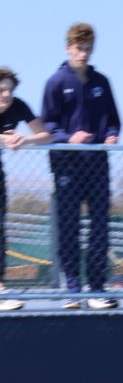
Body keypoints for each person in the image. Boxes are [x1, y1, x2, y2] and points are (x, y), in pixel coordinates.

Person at [40, 22, 121, 310]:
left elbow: (114, 119)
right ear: (68, 48)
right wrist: (68, 138)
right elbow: (46, 126)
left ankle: (97, 288)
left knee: (100, 228)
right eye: (78, 48)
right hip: (67, 169)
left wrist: (111, 134)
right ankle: (73, 289)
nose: (83, 54)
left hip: (97, 166)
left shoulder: (102, 82)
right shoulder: (56, 82)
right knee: (69, 228)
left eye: (88, 48)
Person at [0, 66, 51, 312]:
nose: (5, 95)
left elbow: (45, 135)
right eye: (0, 90)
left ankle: (0, 290)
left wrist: (24, 139)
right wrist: (4, 138)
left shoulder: (18, 105)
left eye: (8, 90)